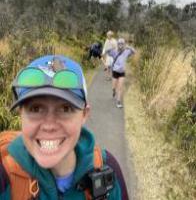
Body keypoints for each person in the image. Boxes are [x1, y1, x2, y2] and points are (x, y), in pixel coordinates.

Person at [0, 54, 129, 199]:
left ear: (84, 115)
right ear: (21, 114)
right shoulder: (5, 175)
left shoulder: (108, 169)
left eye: (65, 109)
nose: (49, 126)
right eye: (35, 109)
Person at [107, 38, 136, 108]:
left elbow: (134, 52)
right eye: (119, 44)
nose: (120, 45)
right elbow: (107, 51)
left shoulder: (126, 51)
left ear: (124, 44)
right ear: (118, 44)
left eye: (122, 44)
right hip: (115, 71)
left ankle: (118, 101)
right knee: (114, 86)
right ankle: (113, 91)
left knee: (120, 87)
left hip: (122, 72)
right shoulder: (114, 51)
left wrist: (128, 47)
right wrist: (112, 47)